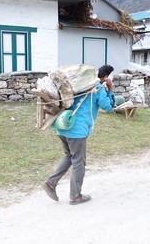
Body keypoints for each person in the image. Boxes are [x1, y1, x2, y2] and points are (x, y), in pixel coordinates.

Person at [41, 65, 115, 205]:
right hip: (77, 131)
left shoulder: (76, 86)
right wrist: (110, 88)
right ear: (105, 77)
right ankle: (75, 196)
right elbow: (109, 107)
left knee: (69, 156)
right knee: (78, 162)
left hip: (63, 126)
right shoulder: (98, 89)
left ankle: (50, 183)